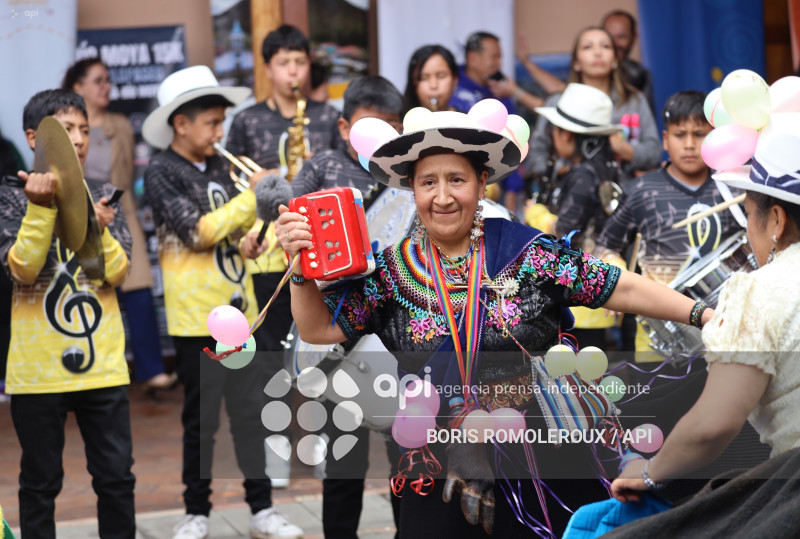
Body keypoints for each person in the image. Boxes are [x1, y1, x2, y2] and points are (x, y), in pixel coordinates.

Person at [274, 100, 714, 537]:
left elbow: (620, 287)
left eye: (457, 180)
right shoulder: (390, 272)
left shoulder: (528, 253)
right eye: (428, 182)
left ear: (482, 182)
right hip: (441, 454)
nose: (442, 196)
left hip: (540, 449)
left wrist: (701, 314)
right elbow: (319, 330)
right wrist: (299, 270)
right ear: (412, 188)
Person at [605, 112, 800, 538]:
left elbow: (713, 424)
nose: (748, 230)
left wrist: (650, 472)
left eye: (748, 215)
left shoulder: (759, 290)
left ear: (778, 219)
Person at [142, 65, 302, 539]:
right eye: (211, 123)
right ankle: (196, 513)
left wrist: (251, 240)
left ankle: (262, 509)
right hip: (196, 319)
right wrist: (252, 199)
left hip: (240, 313)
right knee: (201, 421)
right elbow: (196, 232)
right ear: (181, 124)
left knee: (251, 414)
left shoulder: (220, 167)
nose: (219, 133)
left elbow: (231, 237)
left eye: (220, 123)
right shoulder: (160, 172)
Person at [246, 74, 404, 539]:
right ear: (342, 127)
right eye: (370, 126)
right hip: (338, 327)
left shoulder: (409, 170)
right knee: (344, 453)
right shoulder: (323, 166)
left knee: (408, 451)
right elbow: (288, 213)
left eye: (392, 125)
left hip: (396, 324)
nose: (383, 136)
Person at [0, 89, 134, 538]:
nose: (77, 139)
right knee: (40, 483)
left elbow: (115, 273)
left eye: (83, 130)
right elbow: (22, 269)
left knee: (116, 479)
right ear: (35, 137)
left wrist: (96, 225)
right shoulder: (10, 197)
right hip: (38, 372)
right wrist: (40, 209)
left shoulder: (106, 196)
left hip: (104, 366)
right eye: (65, 130)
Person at [228, 26, 342, 486]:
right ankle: (277, 449)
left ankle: (317, 440)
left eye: (300, 61)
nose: (293, 71)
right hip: (269, 256)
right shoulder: (247, 121)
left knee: (321, 353)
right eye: (284, 63)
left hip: (320, 256)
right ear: (268, 68)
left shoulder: (329, 115)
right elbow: (234, 185)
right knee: (272, 360)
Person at [595, 90, 745, 351]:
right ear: (664, 140)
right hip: (661, 339)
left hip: (734, 328)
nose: (689, 144)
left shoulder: (733, 184)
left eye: (699, 134)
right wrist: (614, 271)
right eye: (679, 134)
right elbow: (606, 246)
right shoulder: (641, 190)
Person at [62, 57, 175, 392]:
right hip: (78, 214)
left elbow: (125, 175)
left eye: (108, 80)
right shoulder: (62, 125)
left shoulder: (119, 123)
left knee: (138, 291)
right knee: (85, 293)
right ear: (77, 87)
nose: (106, 86)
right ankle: (88, 371)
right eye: (98, 80)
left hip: (119, 210)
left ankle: (151, 370)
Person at [531, 83, 623, 350]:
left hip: (577, 299)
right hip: (595, 297)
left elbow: (563, 233)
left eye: (555, 130)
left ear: (567, 135)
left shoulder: (584, 175)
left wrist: (534, 213)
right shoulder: (606, 167)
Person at [530, 27, 661, 188]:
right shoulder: (557, 102)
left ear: (615, 60)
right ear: (576, 62)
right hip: (568, 195)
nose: (598, 53)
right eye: (588, 47)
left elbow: (654, 152)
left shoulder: (634, 100)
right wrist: (561, 169)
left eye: (605, 46)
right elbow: (536, 153)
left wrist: (623, 149)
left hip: (624, 196)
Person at [449, 31, 535, 215]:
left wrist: (512, 190)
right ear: (472, 58)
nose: (500, 63)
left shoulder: (500, 89)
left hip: (497, 184)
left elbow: (513, 139)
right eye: (494, 57)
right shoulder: (451, 83)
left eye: (500, 57)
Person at [602, 10, 656, 115]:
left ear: (634, 37)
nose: (614, 43)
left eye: (621, 37)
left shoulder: (638, 75)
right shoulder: (577, 74)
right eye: (609, 36)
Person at [404, 44, 459, 112]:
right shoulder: (399, 120)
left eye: (441, 76)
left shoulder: (467, 120)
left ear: (455, 79)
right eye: (424, 78)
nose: (433, 86)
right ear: (413, 81)